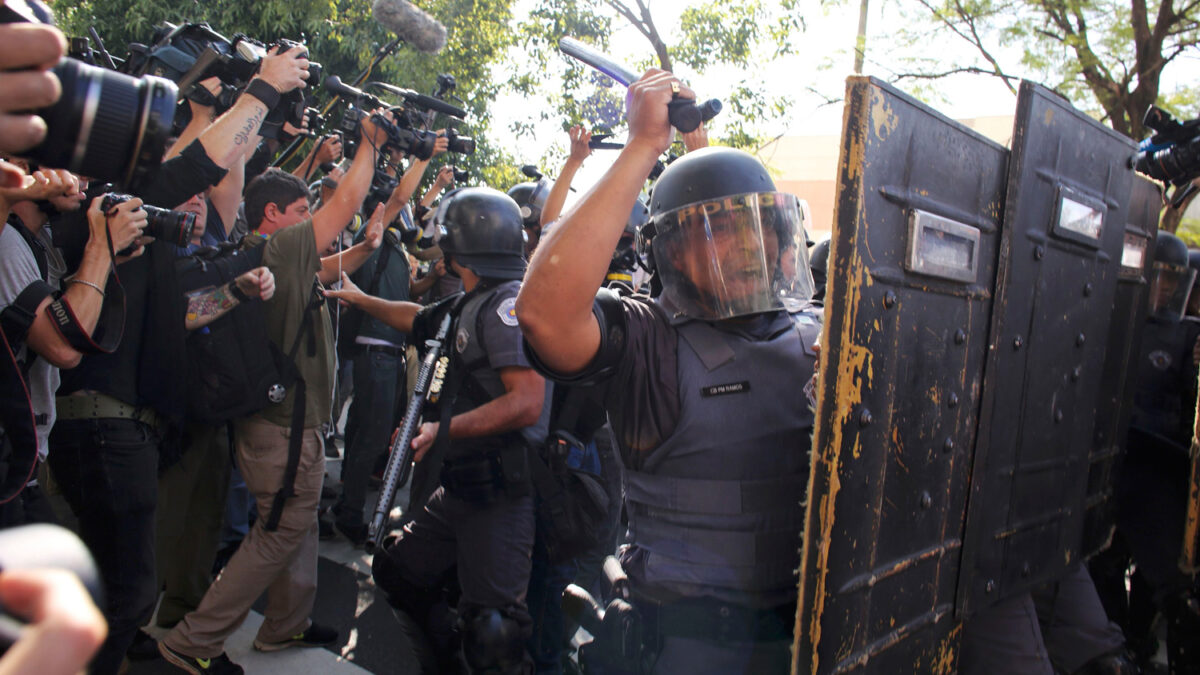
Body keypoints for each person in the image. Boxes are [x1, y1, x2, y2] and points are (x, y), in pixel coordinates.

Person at [516, 70, 820, 673]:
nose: (750, 249)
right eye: (723, 234)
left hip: (809, 638)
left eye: (759, 228)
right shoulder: (647, 340)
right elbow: (543, 314)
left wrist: (697, 153)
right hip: (688, 643)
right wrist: (643, 146)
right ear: (673, 253)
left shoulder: (818, 330)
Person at [156, 110, 391, 675]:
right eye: (303, 211)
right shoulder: (282, 248)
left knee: (296, 523)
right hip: (284, 427)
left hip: (284, 425)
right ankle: (193, 641)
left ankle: (285, 624)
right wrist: (370, 147)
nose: (312, 219)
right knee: (278, 531)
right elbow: (344, 206)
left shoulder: (275, 254)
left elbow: (329, 259)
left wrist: (362, 249)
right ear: (274, 216)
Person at [327, 186, 548, 674]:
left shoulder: (504, 306)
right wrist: (363, 300)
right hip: (462, 487)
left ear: (455, 249)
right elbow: (420, 320)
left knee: (495, 633)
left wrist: (439, 428)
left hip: (502, 494)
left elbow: (527, 402)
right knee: (398, 573)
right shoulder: (472, 300)